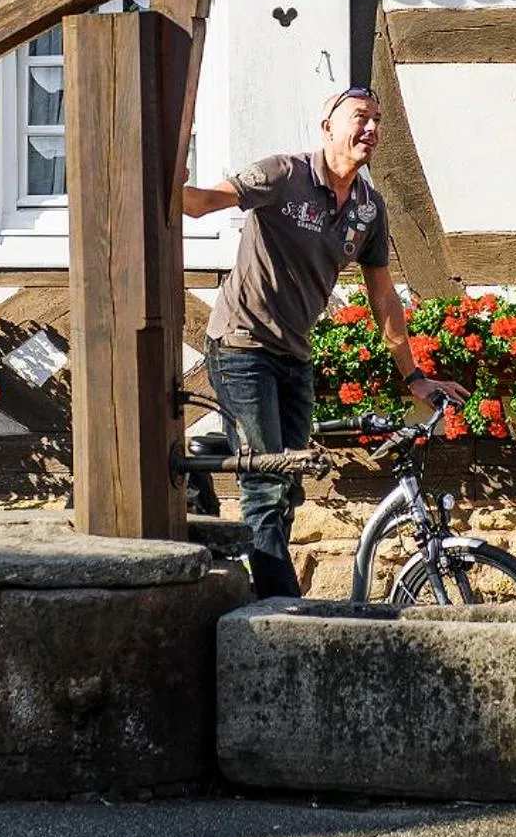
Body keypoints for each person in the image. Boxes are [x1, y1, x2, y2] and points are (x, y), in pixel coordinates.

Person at [182, 85, 465, 598]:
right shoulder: (283, 175)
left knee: (289, 485)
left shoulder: (367, 209)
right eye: (360, 116)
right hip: (242, 343)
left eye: (378, 120)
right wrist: (166, 176)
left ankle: (212, 451)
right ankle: (279, 609)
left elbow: (384, 299)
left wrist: (415, 376)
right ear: (327, 125)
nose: (372, 128)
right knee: (267, 486)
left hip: (294, 353)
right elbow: (203, 204)